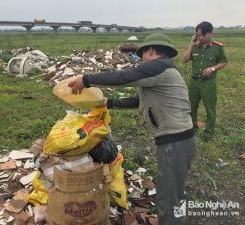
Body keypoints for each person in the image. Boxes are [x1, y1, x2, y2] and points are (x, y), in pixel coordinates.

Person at [68, 33, 196, 225]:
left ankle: (169, 220)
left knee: (169, 197)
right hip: (177, 140)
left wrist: (86, 79)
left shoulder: (158, 66)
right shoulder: (162, 71)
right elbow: (139, 100)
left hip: (175, 142)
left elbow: (123, 77)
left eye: (142, 54)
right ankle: (167, 219)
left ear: (150, 50)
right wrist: (109, 102)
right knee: (170, 191)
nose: (141, 60)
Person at [182, 21, 228, 142]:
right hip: (194, 82)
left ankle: (208, 132)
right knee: (191, 106)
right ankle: (193, 127)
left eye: (203, 35)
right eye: (198, 35)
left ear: (210, 33)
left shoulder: (217, 47)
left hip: (208, 83)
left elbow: (224, 62)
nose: (200, 37)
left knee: (210, 108)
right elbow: (184, 60)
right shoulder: (195, 47)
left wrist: (212, 68)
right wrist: (191, 45)